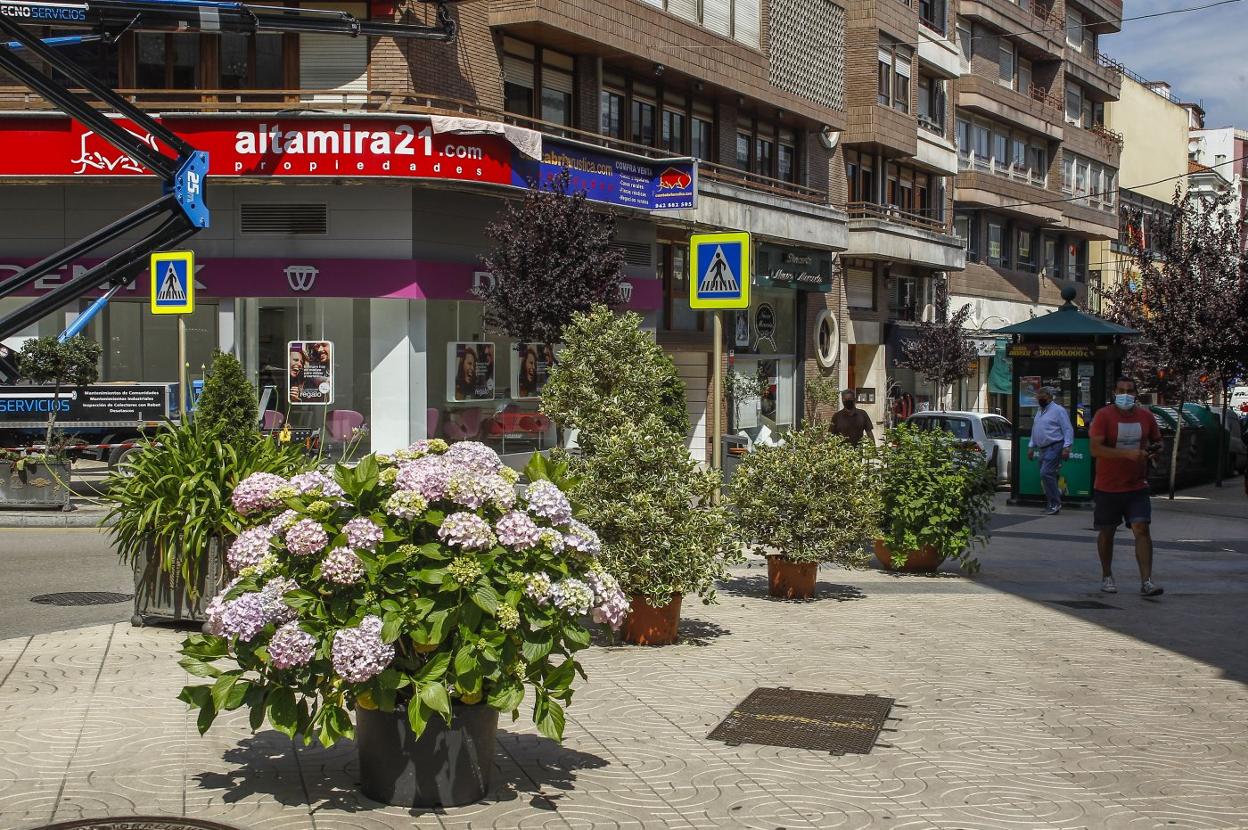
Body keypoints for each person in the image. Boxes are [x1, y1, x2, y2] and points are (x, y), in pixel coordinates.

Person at [1089, 376, 1164, 597]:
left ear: (1136, 394)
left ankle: (1147, 581)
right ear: (1114, 392)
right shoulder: (1104, 416)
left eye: (1129, 391)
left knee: (1142, 528)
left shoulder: (1146, 417)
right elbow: (1095, 449)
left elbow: (1158, 440)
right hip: (1108, 485)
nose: (1125, 395)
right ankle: (1107, 575)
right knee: (1107, 532)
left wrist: (1155, 449)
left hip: (1136, 485)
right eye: (1121, 390)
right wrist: (1128, 454)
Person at [1027, 386, 1074, 515]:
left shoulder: (1058, 410)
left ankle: (1055, 503)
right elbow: (1035, 429)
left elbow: (1068, 429)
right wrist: (1031, 446)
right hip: (1043, 448)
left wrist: (1067, 447)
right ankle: (1054, 498)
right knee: (1048, 475)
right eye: (1038, 397)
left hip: (1055, 446)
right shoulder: (1039, 411)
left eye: (1043, 397)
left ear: (1049, 397)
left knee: (1045, 473)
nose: (1040, 399)